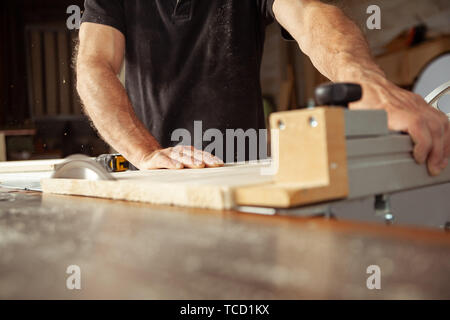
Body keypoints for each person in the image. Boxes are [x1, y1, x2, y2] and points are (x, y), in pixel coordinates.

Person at [76, 0, 449, 175]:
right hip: (155, 176)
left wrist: (365, 80)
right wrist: (145, 154)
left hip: (247, 170)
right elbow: (95, 64)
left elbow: (308, 12)